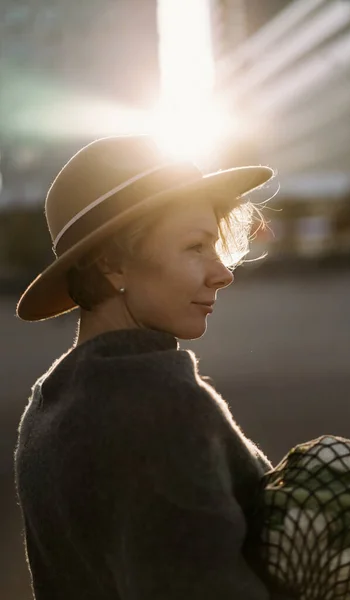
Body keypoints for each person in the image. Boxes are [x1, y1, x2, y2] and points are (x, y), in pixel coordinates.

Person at [14, 134, 275, 600]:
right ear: (112, 262)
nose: (223, 272)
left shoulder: (45, 409)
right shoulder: (163, 408)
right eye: (196, 247)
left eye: (215, 245)